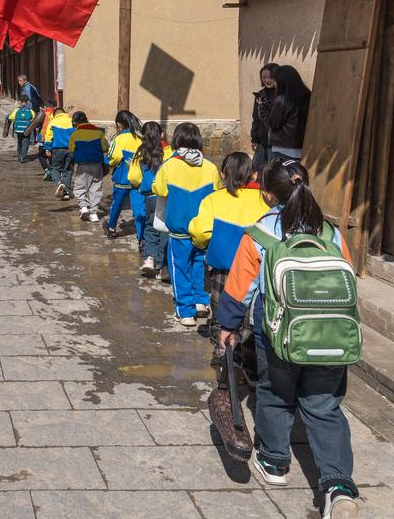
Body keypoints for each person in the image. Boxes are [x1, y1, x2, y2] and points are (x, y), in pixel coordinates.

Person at [217, 159, 358, 517]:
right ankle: (339, 486)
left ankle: (274, 462)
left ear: (267, 194)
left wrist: (228, 327)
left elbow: (239, 289)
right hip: (330, 332)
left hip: (277, 334)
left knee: (275, 393)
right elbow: (348, 278)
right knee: (324, 405)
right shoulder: (330, 232)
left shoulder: (261, 233)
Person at [189, 151, 268, 355]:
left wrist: (207, 245)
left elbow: (200, 232)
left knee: (222, 313)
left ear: (223, 175)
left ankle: (223, 354)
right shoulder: (266, 201)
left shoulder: (214, 199)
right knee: (249, 317)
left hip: (224, 269)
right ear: (254, 175)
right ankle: (246, 357)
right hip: (255, 271)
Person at [153, 122, 222, 327]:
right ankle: (200, 301)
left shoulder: (169, 165)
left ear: (176, 140)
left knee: (180, 269)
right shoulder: (210, 167)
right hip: (202, 230)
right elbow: (218, 193)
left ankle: (185, 311)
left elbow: (159, 189)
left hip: (179, 230)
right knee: (198, 265)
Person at [128, 122, 173, 278]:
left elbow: (133, 177)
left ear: (143, 135)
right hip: (166, 196)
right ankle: (164, 266)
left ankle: (150, 259)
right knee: (164, 229)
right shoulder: (169, 151)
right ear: (161, 134)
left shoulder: (140, 152)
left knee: (150, 227)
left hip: (150, 196)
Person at [103, 111, 144, 242]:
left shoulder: (119, 138)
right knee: (138, 208)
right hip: (137, 180)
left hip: (122, 178)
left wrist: (107, 162)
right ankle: (141, 237)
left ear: (119, 124)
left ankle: (111, 229)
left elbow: (114, 157)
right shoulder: (139, 139)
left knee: (117, 204)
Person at [258, 65, 311, 162]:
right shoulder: (308, 96)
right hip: (302, 149)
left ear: (281, 81)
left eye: (275, 80)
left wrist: (261, 108)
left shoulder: (283, 100)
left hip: (282, 150)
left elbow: (272, 124)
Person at [68, 111, 109, 223]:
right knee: (95, 187)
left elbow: (71, 149)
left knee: (80, 186)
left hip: (82, 165)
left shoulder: (75, 135)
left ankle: (84, 207)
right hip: (97, 165)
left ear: (76, 123)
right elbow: (105, 148)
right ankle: (94, 213)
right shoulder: (99, 133)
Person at [251, 63, 279, 173]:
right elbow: (256, 119)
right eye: (264, 77)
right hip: (262, 143)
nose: (267, 80)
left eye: (270, 77)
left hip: (276, 144)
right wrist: (254, 139)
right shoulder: (260, 95)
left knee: (272, 173)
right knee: (257, 171)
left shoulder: (281, 96)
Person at [44, 106, 75, 199]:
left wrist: (47, 148)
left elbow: (48, 136)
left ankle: (59, 183)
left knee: (54, 169)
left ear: (55, 115)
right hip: (70, 150)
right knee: (68, 170)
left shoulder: (53, 122)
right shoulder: (72, 121)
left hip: (57, 149)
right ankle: (67, 192)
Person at [26, 98, 56, 180]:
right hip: (54, 138)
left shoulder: (43, 114)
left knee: (41, 156)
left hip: (43, 138)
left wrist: (26, 133)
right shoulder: (57, 114)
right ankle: (53, 170)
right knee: (51, 155)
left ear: (45, 106)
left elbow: (33, 125)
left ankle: (47, 170)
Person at [8, 96, 36, 162]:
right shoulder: (30, 111)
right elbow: (34, 119)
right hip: (27, 130)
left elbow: (11, 117)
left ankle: (19, 155)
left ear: (20, 102)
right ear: (28, 102)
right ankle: (23, 157)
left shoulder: (16, 110)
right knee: (25, 143)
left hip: (18, 130)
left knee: (19, 141)